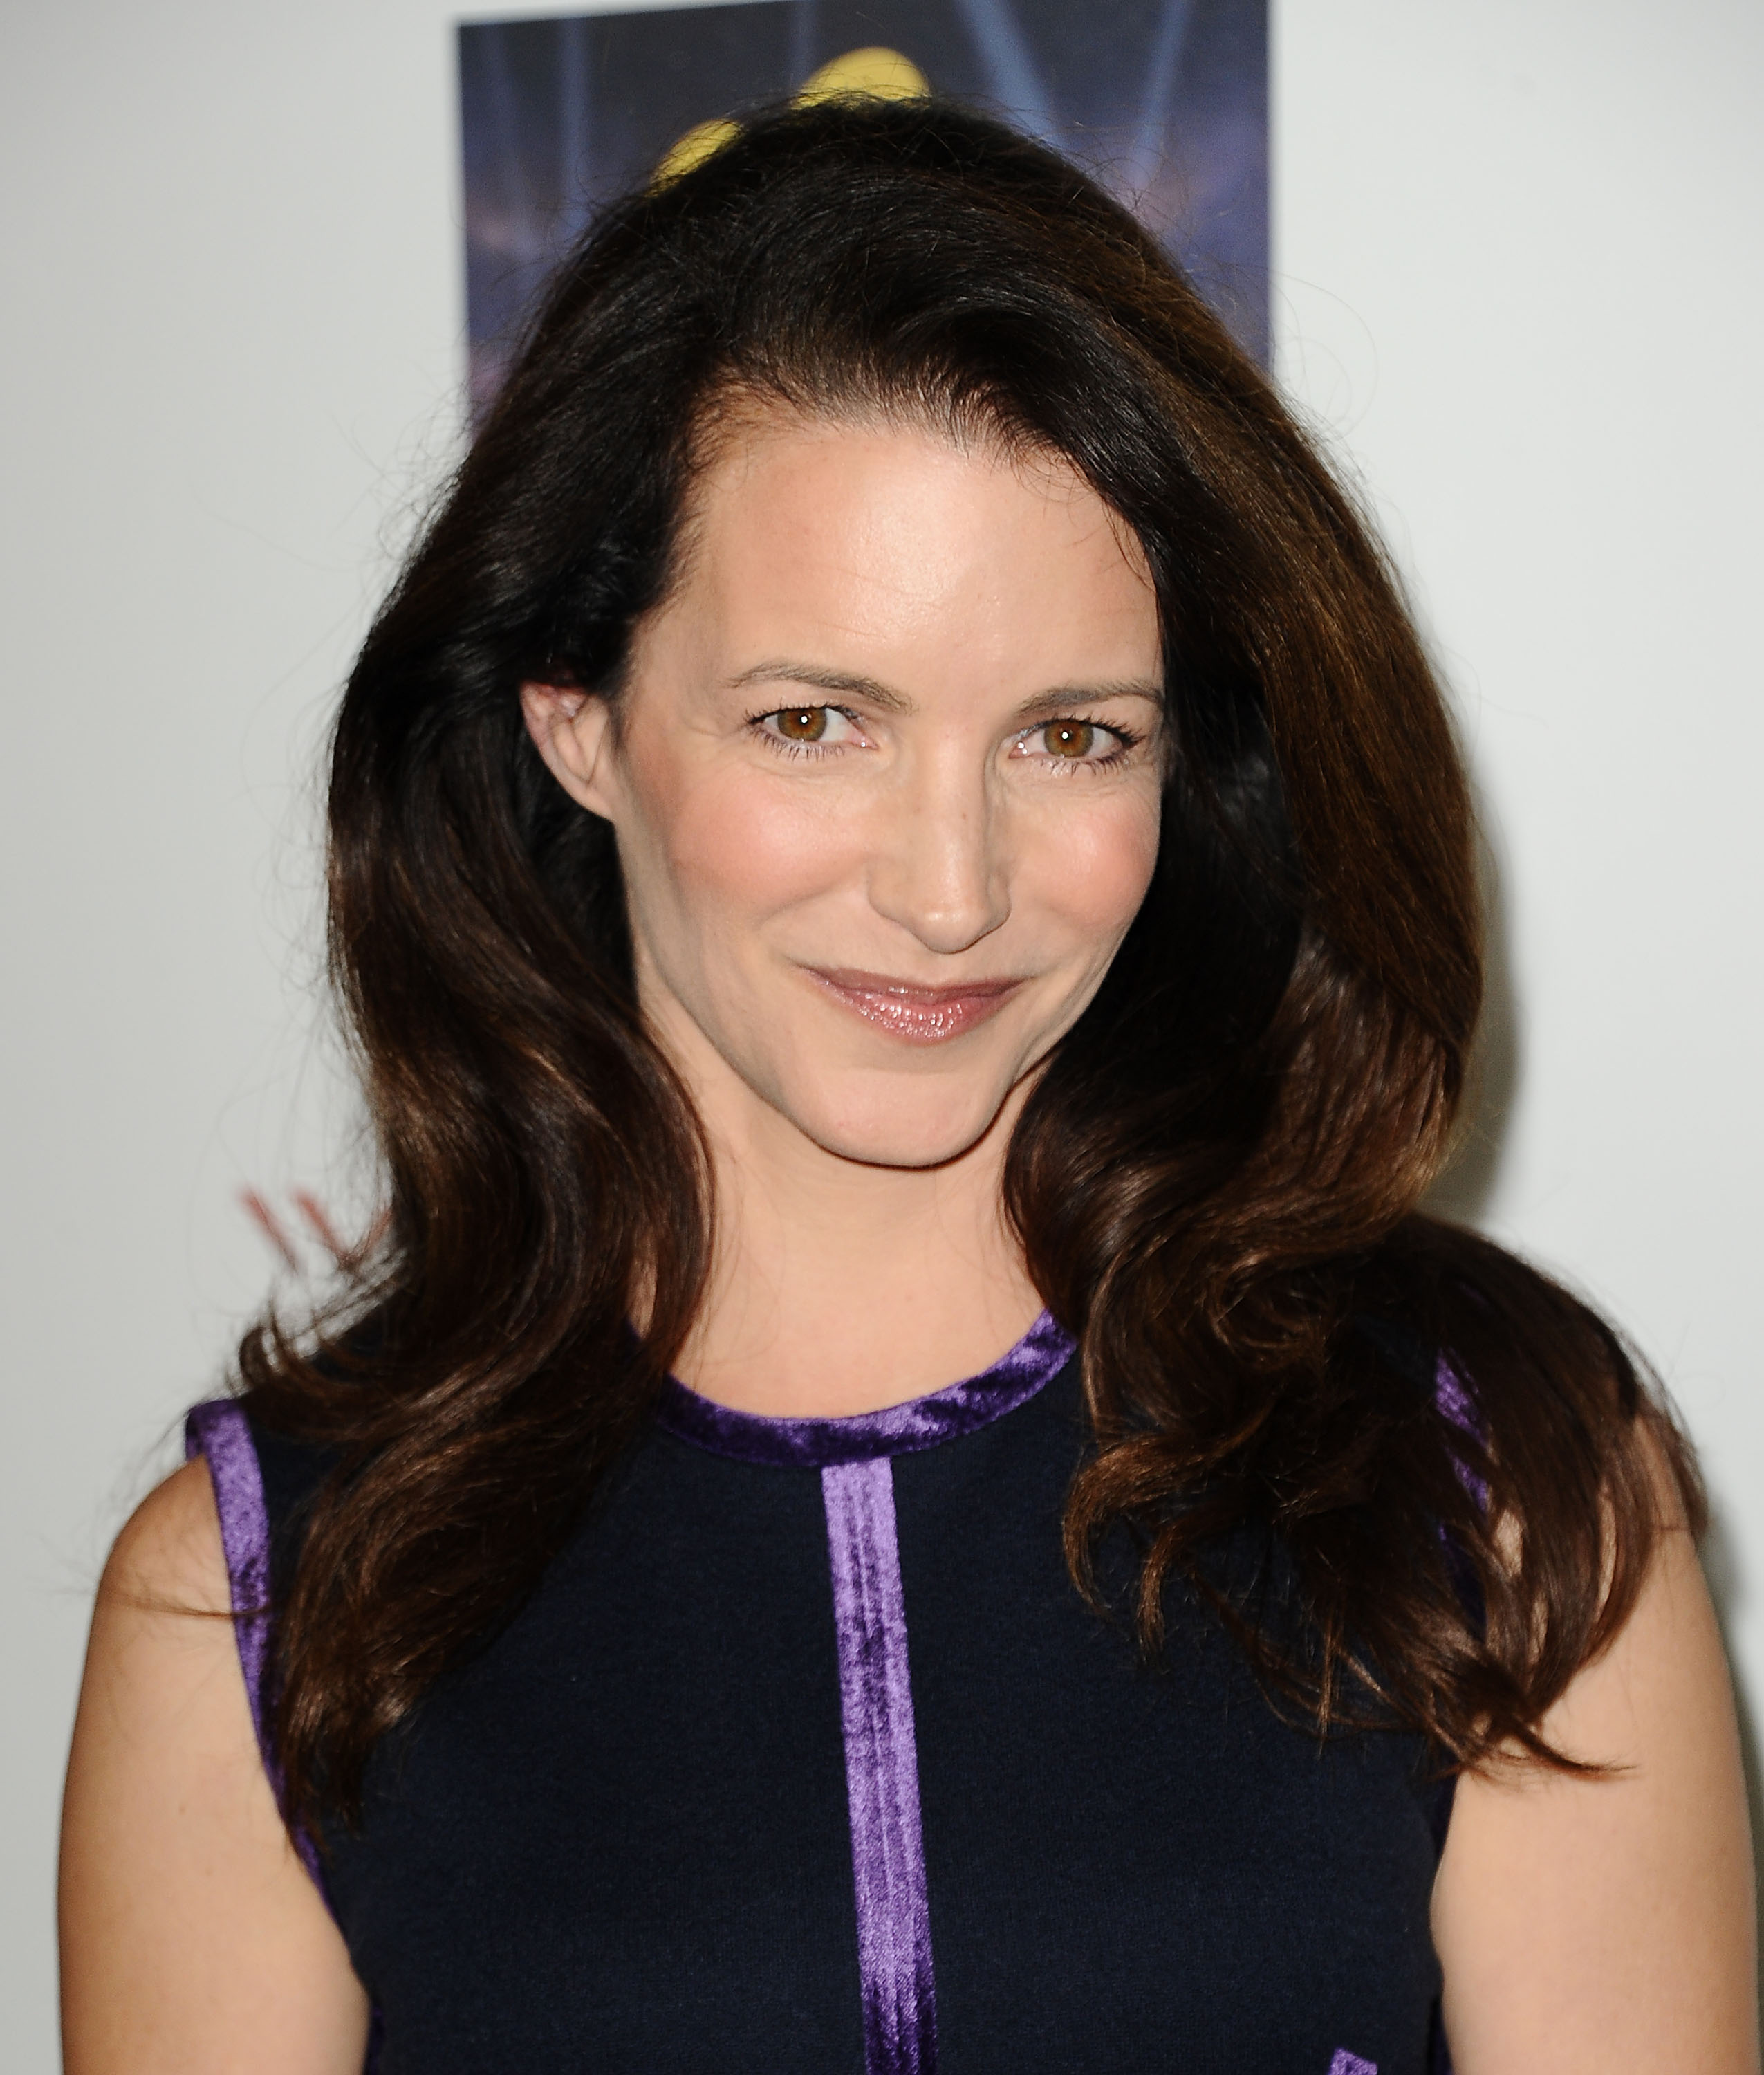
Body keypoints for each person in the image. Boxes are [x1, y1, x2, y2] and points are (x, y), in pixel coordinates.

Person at [57, 96, 1755, 2075]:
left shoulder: (1494, 1489)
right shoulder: (263, 1610)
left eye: (1070, 738)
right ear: (578, 726)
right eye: (814, 721)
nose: (950, 892)